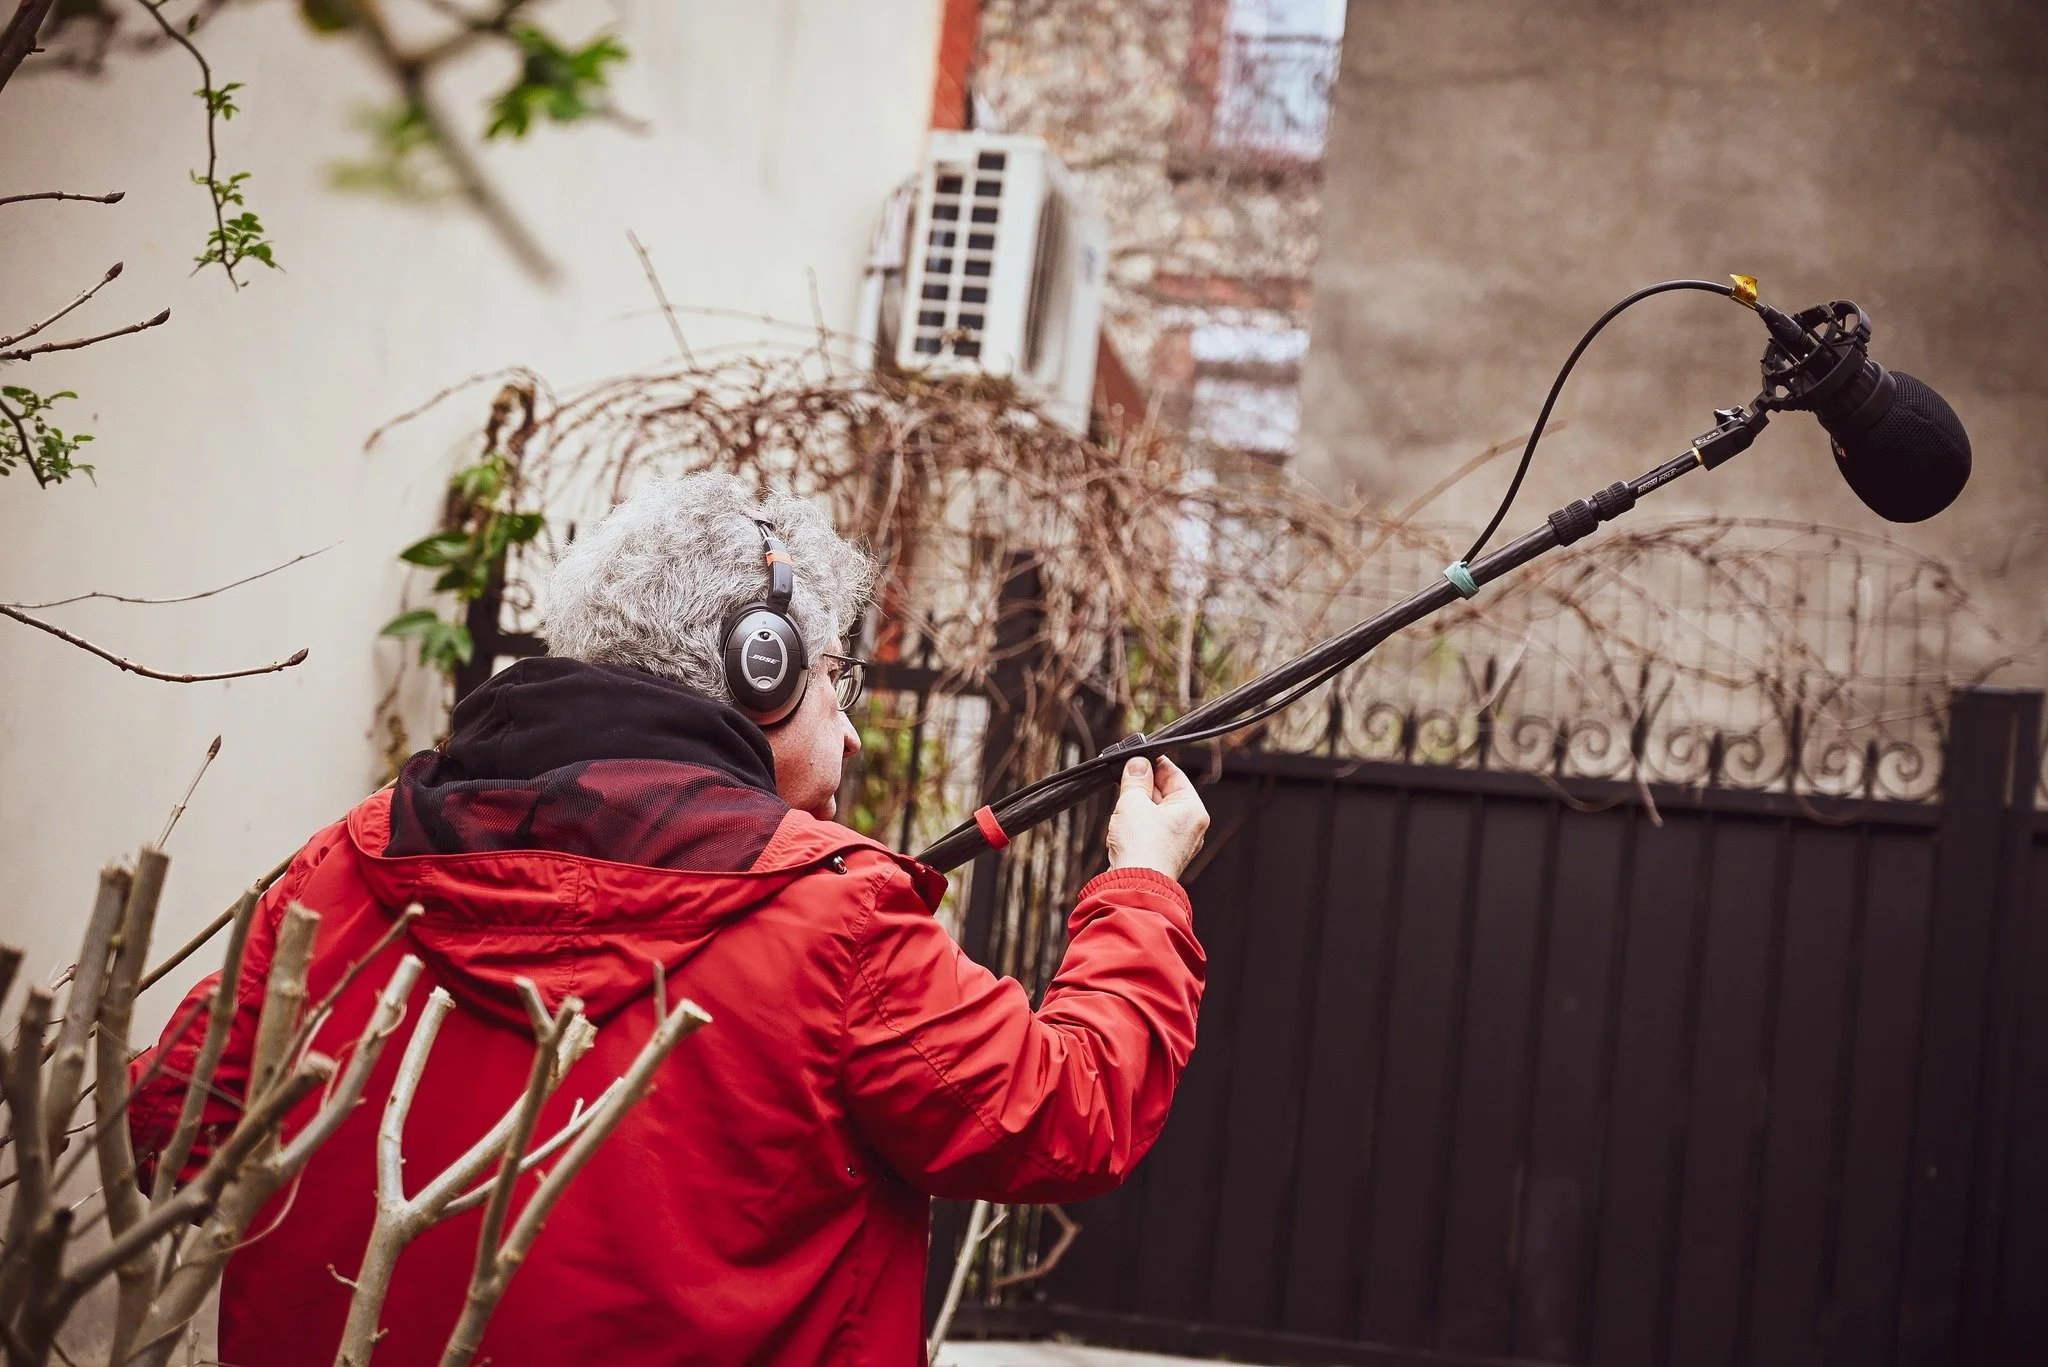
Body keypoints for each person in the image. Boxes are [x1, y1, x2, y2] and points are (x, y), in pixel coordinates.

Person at [130, 472, 1210, 1366]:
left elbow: (168, 1121)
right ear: (763, 666)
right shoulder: (835, 920)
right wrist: (1143, 884)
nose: (853, 730)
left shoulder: (347, 860)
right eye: (841, 680)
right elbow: (1069, 1112)